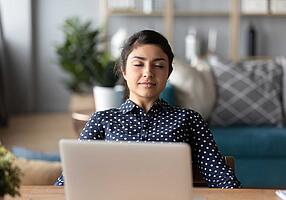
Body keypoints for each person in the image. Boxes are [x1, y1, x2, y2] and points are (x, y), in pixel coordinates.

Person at [55, 30, 241, 188]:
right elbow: (67, 181)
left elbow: (221, 178)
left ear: (168, 73)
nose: (148, 73)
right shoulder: (102, 120)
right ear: (124, 71)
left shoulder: (188, 119)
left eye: (159, 65)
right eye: (138, 64)